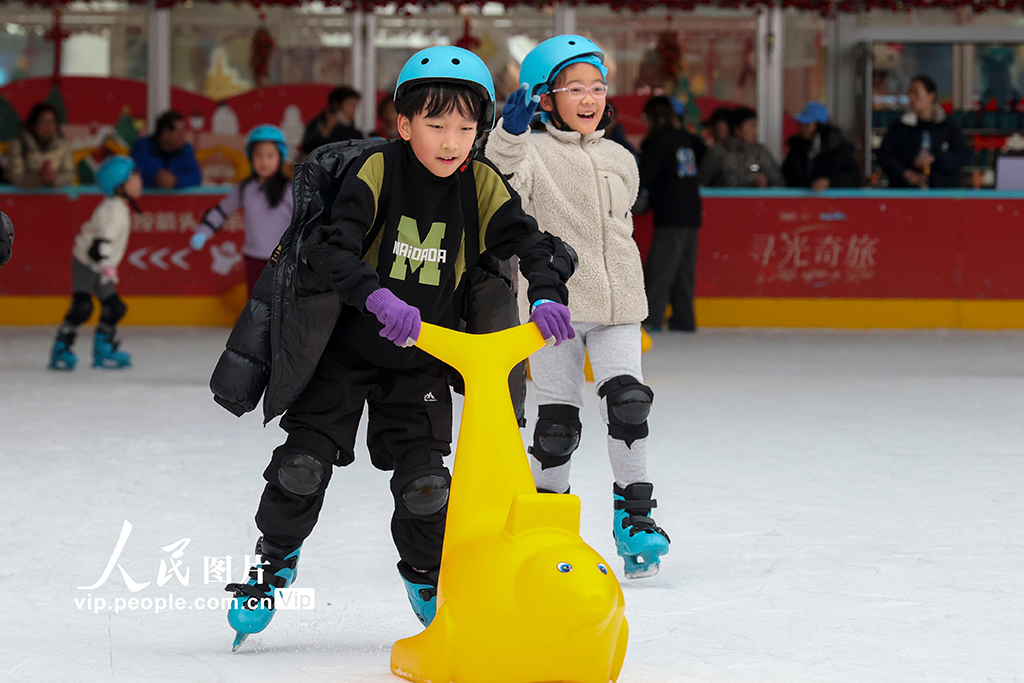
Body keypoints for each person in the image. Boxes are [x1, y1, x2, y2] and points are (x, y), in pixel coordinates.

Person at [221, 45, 575, 646]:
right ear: (404, 124)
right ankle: (274, 558)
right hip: (344, 353)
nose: (450, 141)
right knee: (301, 468)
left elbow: (528, 240)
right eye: (435, 125)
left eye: (466, 127)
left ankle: (426, 575)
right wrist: (376, 296)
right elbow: (334, 247)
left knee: (425, 487)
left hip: (421, 364)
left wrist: (545, 292)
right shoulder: (378, 171)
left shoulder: (481, 182)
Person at [486, 34, 670, 580]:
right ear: (546, 98)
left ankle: (635, 518)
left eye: (597, 87)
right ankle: (550, 522)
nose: (589, 98)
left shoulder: (618, 156)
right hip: (554, 308)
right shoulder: (531, 152)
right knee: (557, 426)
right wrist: (509, 133)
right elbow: (498, 178)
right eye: (574, 88)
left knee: (629, 403)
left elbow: (623, 221)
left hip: (619, 303)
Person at [48, 156, 141, 371]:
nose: (140, 181)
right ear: (119, 186)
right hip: (87, 264)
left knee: (114, 307)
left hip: (100, 265)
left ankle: (103, 350)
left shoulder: (118, 207)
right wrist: (108, 266)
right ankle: (61, 349)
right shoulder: (112, 211)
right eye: (134, 177)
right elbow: (99, 245)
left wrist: (106, 266)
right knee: (82, 308)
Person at [190, 125, 293, 295]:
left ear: (280, 157)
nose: (264, 161)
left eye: (270, 155)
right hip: (254, 258)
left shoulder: (289, 190)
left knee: (283, 305)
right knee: (256, 304)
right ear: (250, 157)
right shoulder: (244, 189)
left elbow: (304, 220)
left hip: (284, 258)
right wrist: (204, 231)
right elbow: (221, 212)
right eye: (258, 155)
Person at [636, 95, 705, 333]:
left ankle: (651, 317)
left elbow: (644, 176)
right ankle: (684, 319)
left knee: (661, 268)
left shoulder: (659, 141)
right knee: (683, 271)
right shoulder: (685, 139)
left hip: (671, 214)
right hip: (691, 212)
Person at [877, 75, 971, 189]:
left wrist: (936, 158)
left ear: (931, 95)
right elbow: (885, 155)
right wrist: (905, 172)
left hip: (941, 192)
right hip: (906, 192)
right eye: (909, 93)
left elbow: (962, 155)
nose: (911, 98)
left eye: (916, 93)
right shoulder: (900, 126)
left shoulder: (947, 126)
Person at [782, 102, 862, 191]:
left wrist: (829, 181)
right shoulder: (797, 147)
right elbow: (786, 175)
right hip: (799, 201)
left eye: (807, 125)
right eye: (801, 124)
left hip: (832, 201)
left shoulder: (839, 148)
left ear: (819, 126)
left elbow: (853, 178)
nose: (802, 128)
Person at [698, 106, 783, 188]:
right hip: (724, 201)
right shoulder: (719, 151)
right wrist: (751, 182)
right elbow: (703, 182)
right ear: (737, 129)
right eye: (751, 126)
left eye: (756, 126)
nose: (755, 131)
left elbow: (777, 181)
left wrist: (765, 183)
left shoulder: (760, 151)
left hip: (757, 201)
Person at [6, 102, 74, 188]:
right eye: (43, 121)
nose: (48, 126)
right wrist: (38, 179)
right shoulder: (19, 144)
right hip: (25, 197)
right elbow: (15, 176)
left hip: (54, 198)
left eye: (51, 122)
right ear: (33, 124)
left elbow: (68, 175)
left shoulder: (63, 145)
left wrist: (54, 179)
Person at [130, 111, 202, 189]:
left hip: (178, 199)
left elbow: (196, 177)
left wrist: (176, 180)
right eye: (180, 132)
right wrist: (154, 179)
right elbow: (133, 175)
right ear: (165, 133)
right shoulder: (141, 148)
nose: (183, 136)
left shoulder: (186, 150)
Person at [300, 86, 363, 155]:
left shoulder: (352, 130)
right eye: (351, 105)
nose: (354, 111)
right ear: (336, 105)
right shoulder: (318, 124)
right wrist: (325, 132)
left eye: (355, 106)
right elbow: (307, 149)